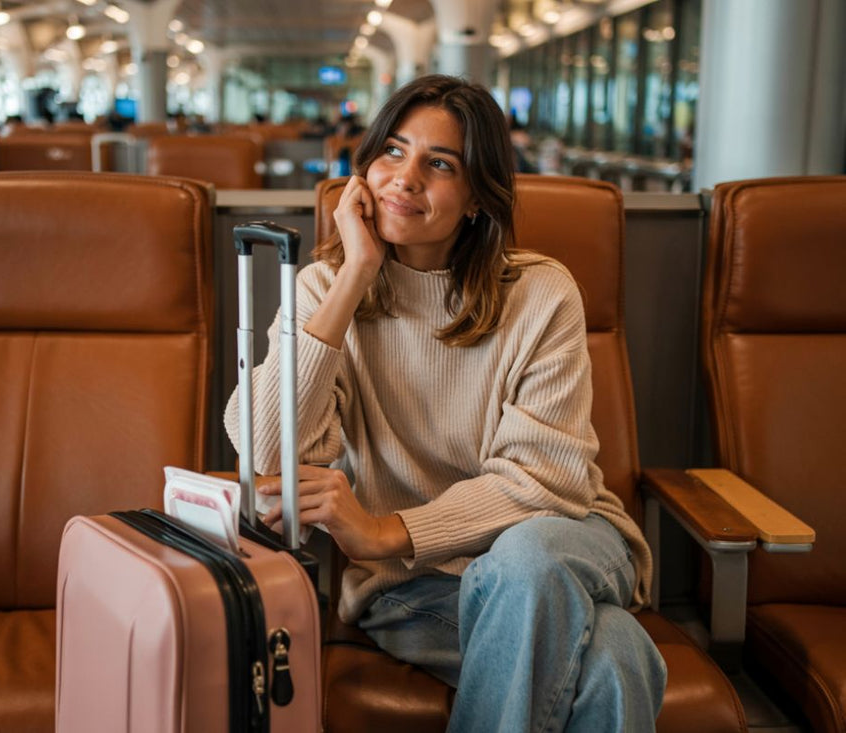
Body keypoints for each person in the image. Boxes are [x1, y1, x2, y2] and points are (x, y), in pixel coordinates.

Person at [224, 74, 666, 732]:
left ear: (478, 198)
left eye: (439, 164)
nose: (404, 179)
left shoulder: (542, 294)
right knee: (617, 656)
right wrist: (354, 275)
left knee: (524, 562)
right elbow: (265, 451)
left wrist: (384, 532)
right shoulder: (325, 289)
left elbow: (547, 478)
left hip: (564, 542)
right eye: (393, 152)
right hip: (415, 589)